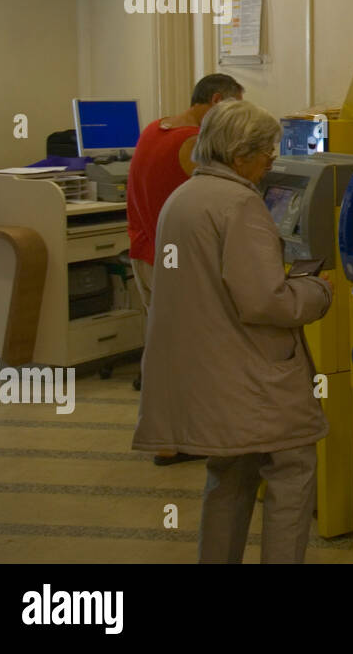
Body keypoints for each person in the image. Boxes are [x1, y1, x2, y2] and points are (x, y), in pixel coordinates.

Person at [132, 100, 332, 564]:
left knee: (231, 474)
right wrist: (317, 293)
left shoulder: (183, 199)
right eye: (266, 153)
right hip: (249, 376)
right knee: (292, 469)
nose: (271, 164)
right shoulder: (240, 205)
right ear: (240, 155)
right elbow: (266, 301)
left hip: (207, 374)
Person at [126, 73, 242, 465]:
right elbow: (219, 194)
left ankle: (171, 437)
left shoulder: (153, 130)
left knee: (163, 347)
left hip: (144, 252)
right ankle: (171, 443)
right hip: (174, 261)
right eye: (232, 110)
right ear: (214, 101)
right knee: (182, 353)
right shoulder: (192, 143)